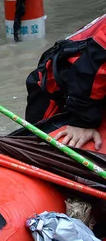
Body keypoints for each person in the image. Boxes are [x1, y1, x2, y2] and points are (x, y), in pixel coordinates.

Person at [26, 13, 106, 151]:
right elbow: (91, 67)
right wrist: (82, 122)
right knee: (37, 148)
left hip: (88, 81)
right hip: (60, 86)